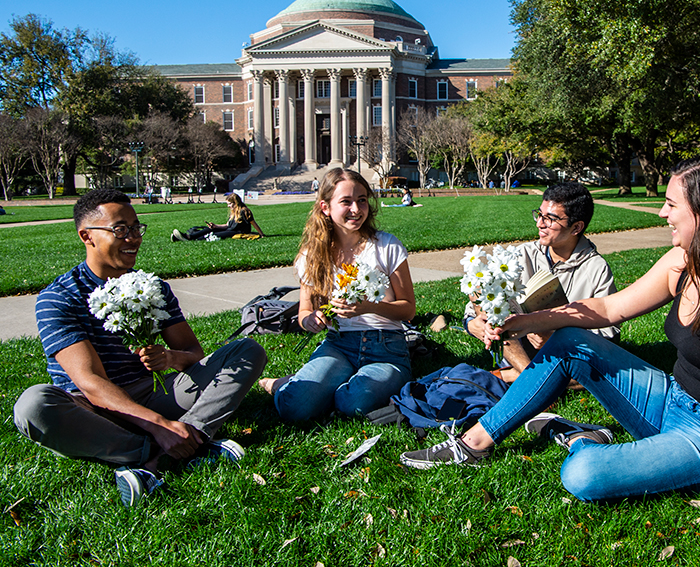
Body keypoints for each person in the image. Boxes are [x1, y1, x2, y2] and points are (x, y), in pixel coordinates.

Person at [400, 155, 700, 518]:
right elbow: (609, 308)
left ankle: (581, 440)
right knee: (571, 341)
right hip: (673, 401)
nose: (661, 212)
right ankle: (473, 443)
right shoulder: (684, 260)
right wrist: (519, 324)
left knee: (583, 475)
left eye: (672, 204)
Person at [13, 189, 268, 506]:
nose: (134, 238)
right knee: (33, 406)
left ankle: (179, 442)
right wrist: (157, 426)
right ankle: (164, 450)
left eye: (136, 228)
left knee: (246, 352)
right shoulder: (59, 298)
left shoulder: (152, 286)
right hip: (94, 411)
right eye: (121, 230)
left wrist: (171, 357)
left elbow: (193, 354)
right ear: (87, 236)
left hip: (153, 392)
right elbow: (90, 382)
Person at [258, 168, 415, 421]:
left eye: (362, 200)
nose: (356, 208)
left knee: (354, 403)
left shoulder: (387, 246)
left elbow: (408, 309)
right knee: (295, 406)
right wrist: (311, 320)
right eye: (346, 201)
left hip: (386, 347)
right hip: (338, 346)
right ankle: (285, 385)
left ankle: (325, 387)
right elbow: (305, 312)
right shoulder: (312, 255)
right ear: (325, 207)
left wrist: (368, 307)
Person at [464, 182, 617, 382]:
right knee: (495, 314)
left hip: (566, 350)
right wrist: (473, 324)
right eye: (540, 214)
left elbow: (609, 335)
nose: (539, 224)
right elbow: (478, 307)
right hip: (519, 345)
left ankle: (520, 377)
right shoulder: (521, 255)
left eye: (550, 219)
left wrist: (553, 336)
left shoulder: (596, 268)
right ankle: (534, 380)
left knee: (602, 370)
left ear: (576, 227)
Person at [171, 192, 264, 241]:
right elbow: (227, 225)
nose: (228, 206)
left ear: (235, 203)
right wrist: (216, 226)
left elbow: (253, 223)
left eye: (229, 204)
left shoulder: (244, 211)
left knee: (213, 235)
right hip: (230, 229)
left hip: (236, 232)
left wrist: (261, 234)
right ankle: (188, 236)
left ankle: (188, 238)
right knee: (209, 229)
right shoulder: (233, 212)